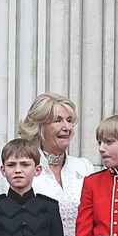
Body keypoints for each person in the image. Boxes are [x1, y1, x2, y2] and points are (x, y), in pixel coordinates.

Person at [20, 94, 94, 225]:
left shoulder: (84, 167)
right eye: (58, 120)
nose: (67, 127)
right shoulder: (22, 169)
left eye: (69, 120)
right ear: (40, 127)